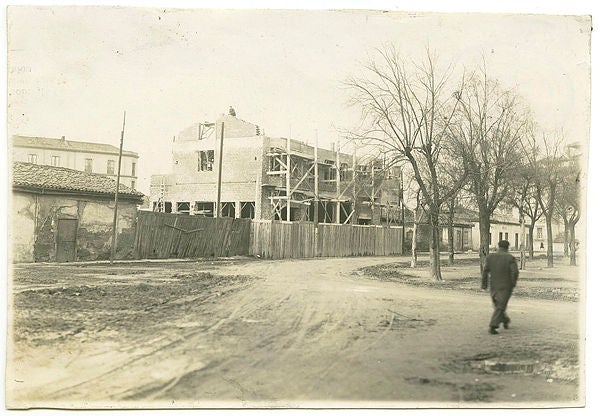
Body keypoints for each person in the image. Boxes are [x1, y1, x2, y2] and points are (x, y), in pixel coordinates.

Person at [481, 240, 519, 335]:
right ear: (507, 247)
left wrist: (484, 284)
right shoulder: (510, 258)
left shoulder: (490, 257)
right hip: (506, 286)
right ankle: (494, 325)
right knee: (500, 306)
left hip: (493, 286)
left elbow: (485, 271)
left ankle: (501, 321)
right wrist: (513, 283)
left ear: (498, 246)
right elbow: (515, 272)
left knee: (499, 305)